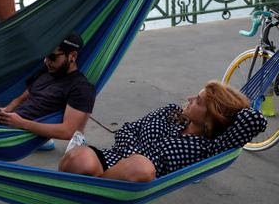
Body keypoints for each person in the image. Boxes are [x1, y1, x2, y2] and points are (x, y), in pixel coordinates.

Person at [59, 81, 267, 182]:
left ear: (212, 116)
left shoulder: (210, 146)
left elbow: (255, 120)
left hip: (138, 180)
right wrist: (132, 152)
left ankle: (91, 193)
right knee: (79, 158)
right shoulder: (169, 112)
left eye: (198, 101)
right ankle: (90, 196)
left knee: (141, 166)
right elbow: (128, 129)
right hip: (113, 158)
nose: (189, 99)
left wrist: (229, 106)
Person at [0, 33, 96, 143]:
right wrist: (6, 110)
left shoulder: (80, 87)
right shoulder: (47, 70)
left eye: (52, 57)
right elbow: (21, 98)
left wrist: (21, 123)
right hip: (4, 120)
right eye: (45, 56)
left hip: (13, 134)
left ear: (72, 56)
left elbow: (68, 131)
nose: (47, 61)